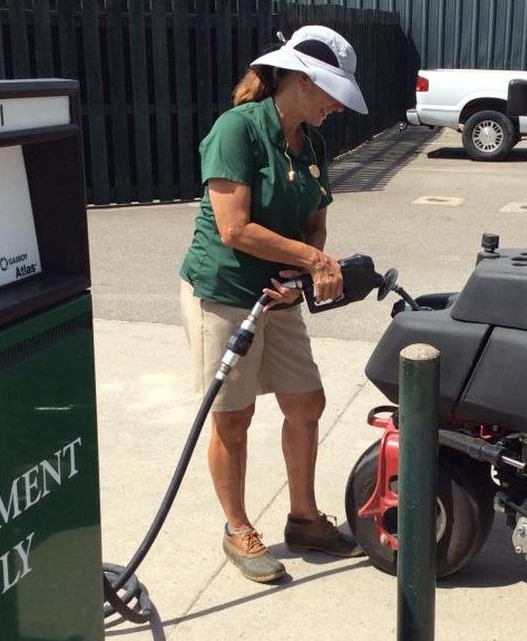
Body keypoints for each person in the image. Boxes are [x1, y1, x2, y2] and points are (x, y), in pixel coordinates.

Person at [178, 25, 369, 583]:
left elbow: (315, 220)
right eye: (331, 91)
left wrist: (307, 266)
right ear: (299, 78)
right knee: (233, 416)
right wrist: (313, 264)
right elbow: (234, 227)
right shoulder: (235, 130)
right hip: (225, 293)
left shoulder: (310, 143)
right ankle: (237, 528)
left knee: (306, 403)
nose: (337, 105)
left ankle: (305, 518)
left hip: (280, 296)